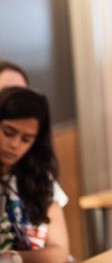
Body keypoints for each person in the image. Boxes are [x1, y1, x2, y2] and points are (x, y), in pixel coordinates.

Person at [0, 87, 70, 263]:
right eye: (8, 132)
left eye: (26, 139)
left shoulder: (40, 179)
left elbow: (59, 253)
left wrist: (14, 258)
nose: (15, 145)